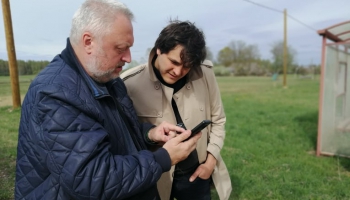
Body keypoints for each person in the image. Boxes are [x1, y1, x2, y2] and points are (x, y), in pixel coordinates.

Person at [14, 1, 201, 200]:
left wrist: (150, 134)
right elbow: (92, 179)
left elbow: (117, 135)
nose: (128, 58)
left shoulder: (107, 78)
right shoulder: (55, 94)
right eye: (121, 48)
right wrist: (163, 158)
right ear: (88, 42)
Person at [120, 20, 232, 200]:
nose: (178, 71)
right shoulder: (128, 84)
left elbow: (218, 120)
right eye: (173, 61)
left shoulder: (206, 74)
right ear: (159, 49)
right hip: (155, 180)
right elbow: (125, 139)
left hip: (198, 175)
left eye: (186, 66)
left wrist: (210, 162)